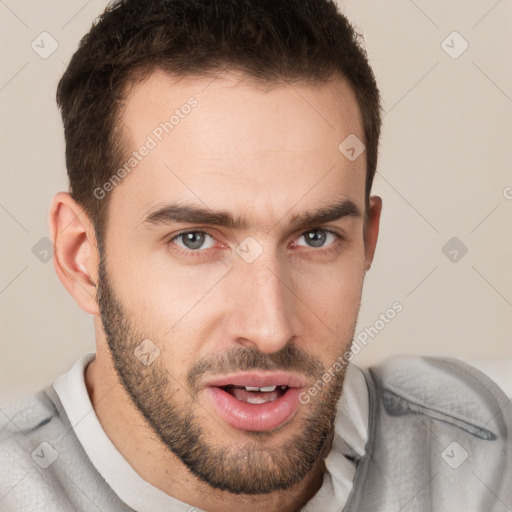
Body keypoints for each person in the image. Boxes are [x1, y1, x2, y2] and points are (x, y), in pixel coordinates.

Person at [1, 0, 510, 510]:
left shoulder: (484, 458)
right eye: (195, 239)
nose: (270, 329)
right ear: (81, 257)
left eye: (315, 237)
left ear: (368, 240)